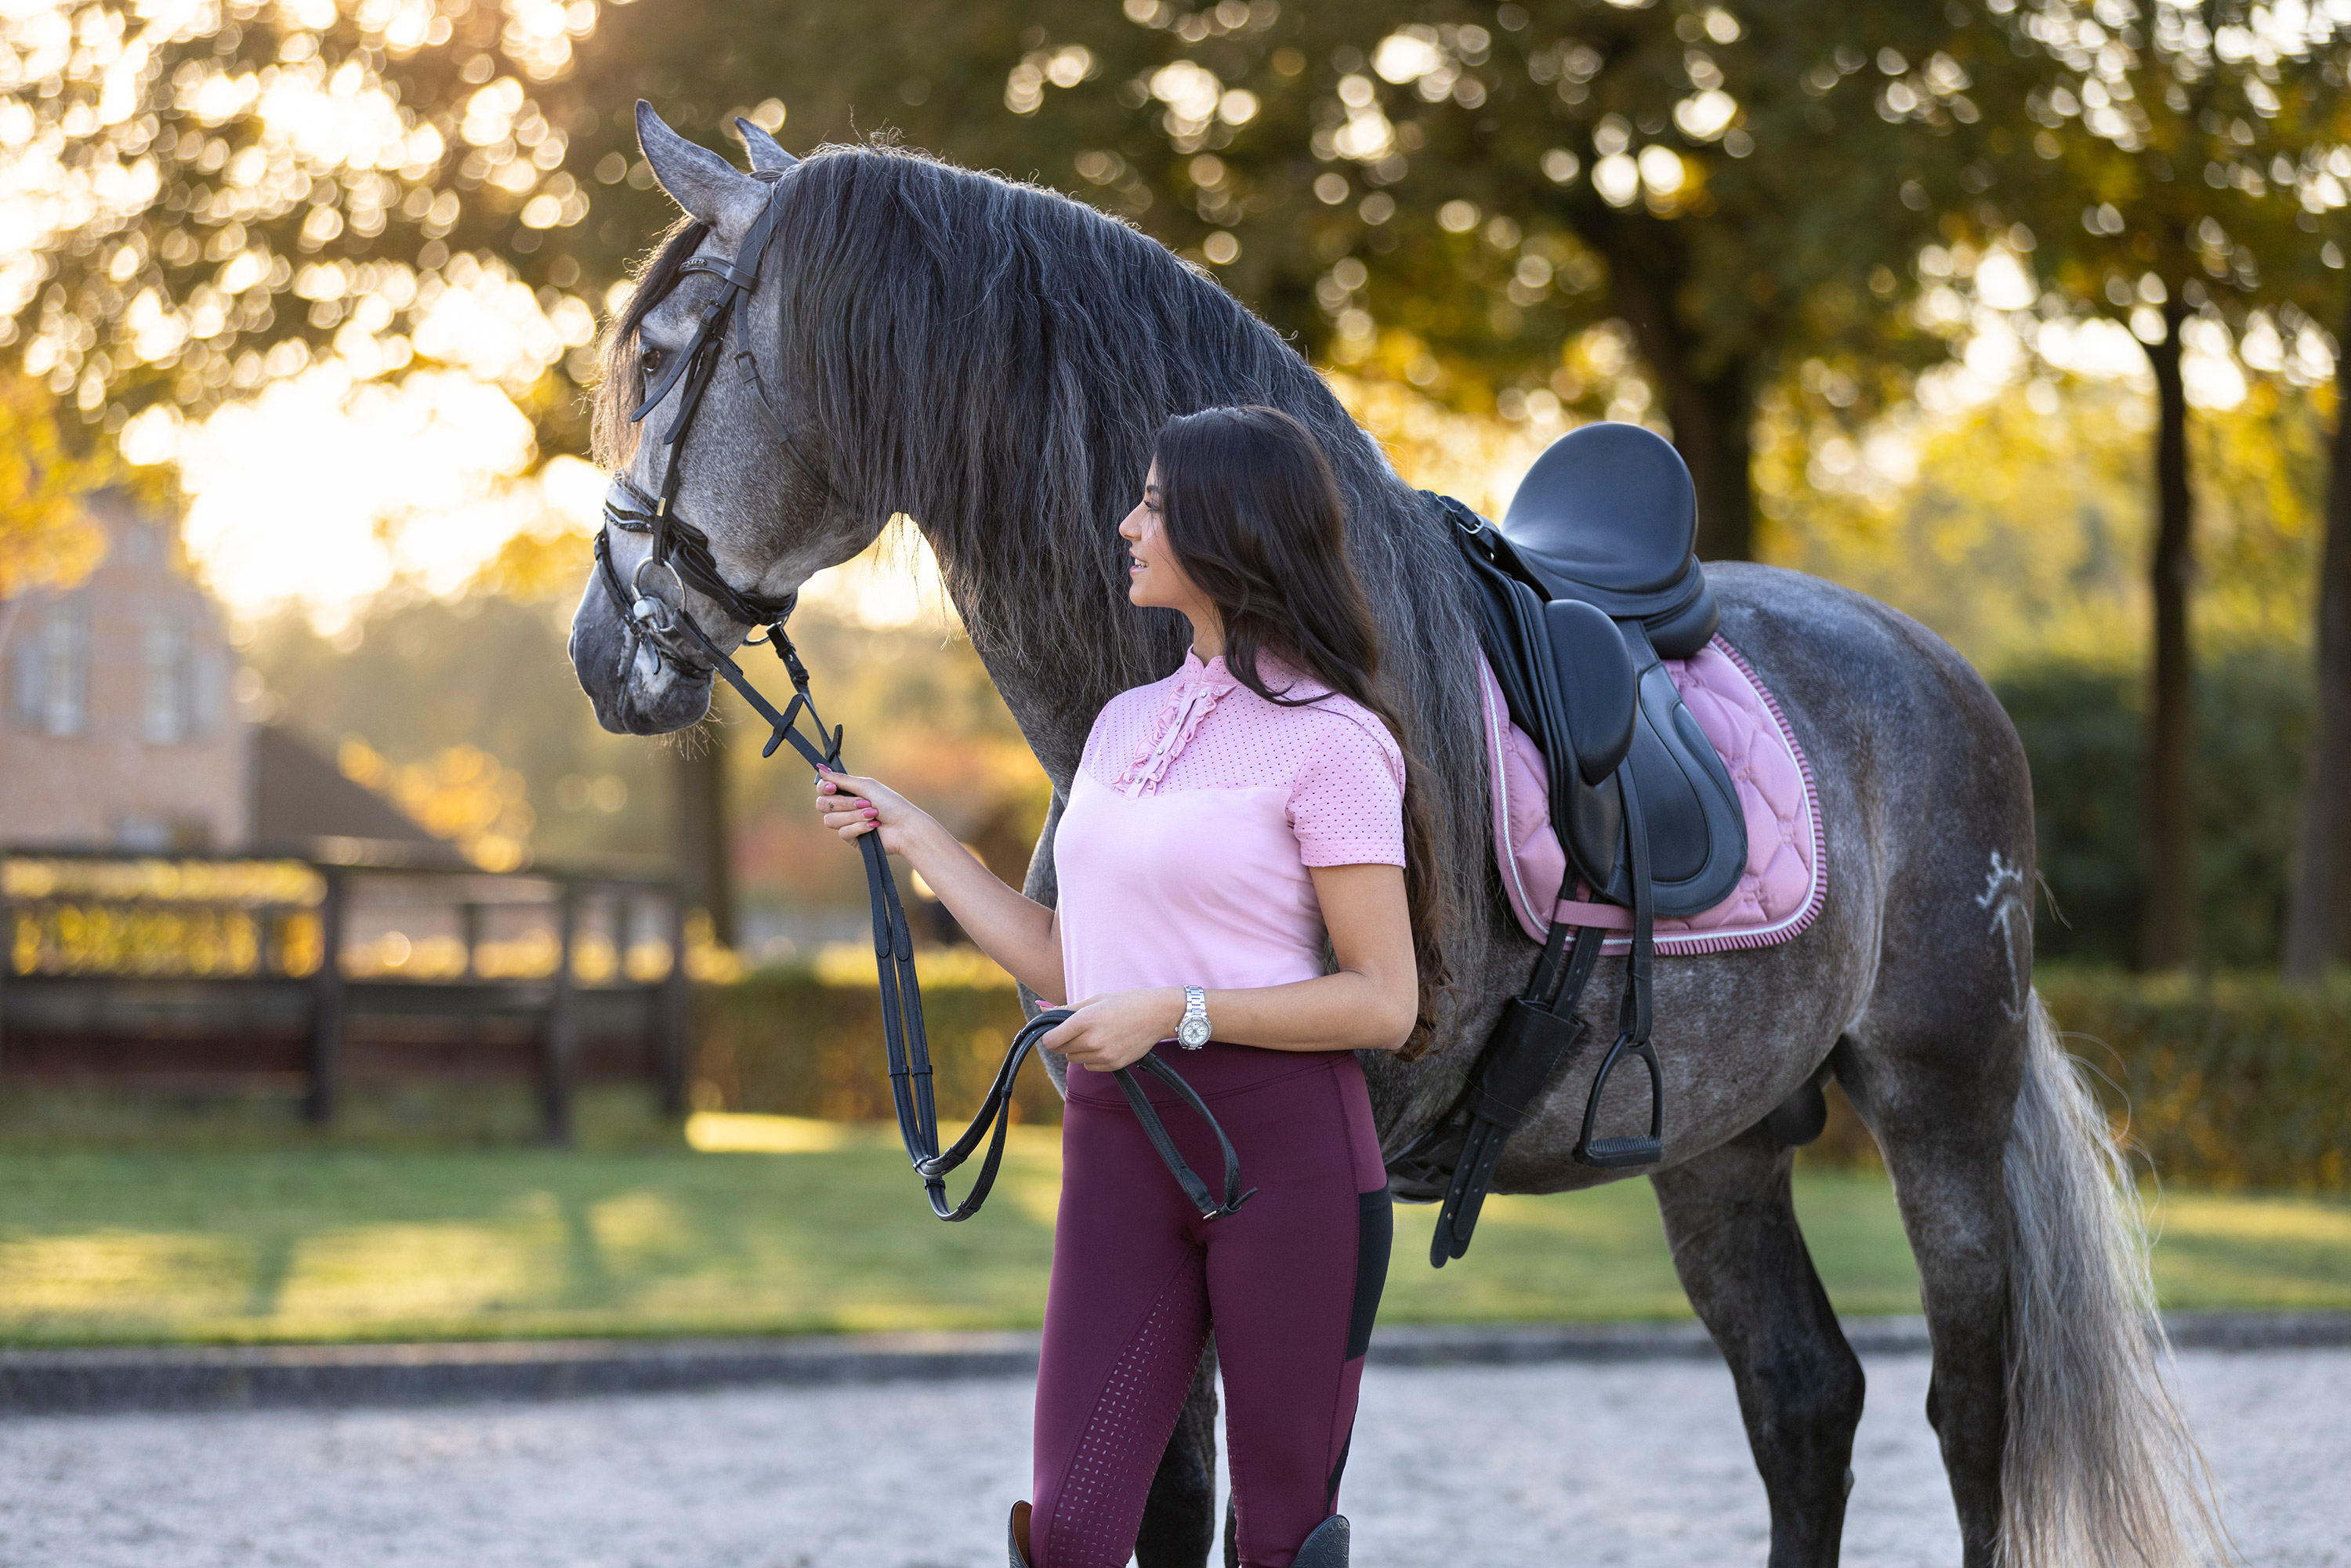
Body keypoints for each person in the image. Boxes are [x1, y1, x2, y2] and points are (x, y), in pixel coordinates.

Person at [813, 405, 1444, 1568]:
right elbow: (1069, 960)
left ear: (1229, 527)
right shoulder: (1120, 727)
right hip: (1122, 1149)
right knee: (1071, 1530)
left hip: (1289, 1159)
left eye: (1153, 504)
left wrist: (1180, 1010)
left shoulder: (1336, 743)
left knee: (1282, 1538)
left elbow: (1383, 1000)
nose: (1126, 525)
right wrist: (915, 835)